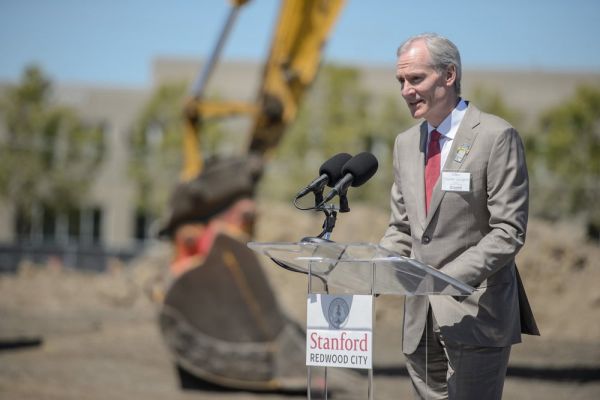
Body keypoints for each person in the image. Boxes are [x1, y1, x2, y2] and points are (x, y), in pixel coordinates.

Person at [380, 33, 539, 399]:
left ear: (449, 75)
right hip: (419, 322)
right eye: (401, 81)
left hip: (475, 314)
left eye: (415, 79)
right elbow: (402, 227)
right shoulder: (406, 143)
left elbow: (508, 231)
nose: (406, 90)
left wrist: (445, 278)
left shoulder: (496, 136)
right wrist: (375, 265)